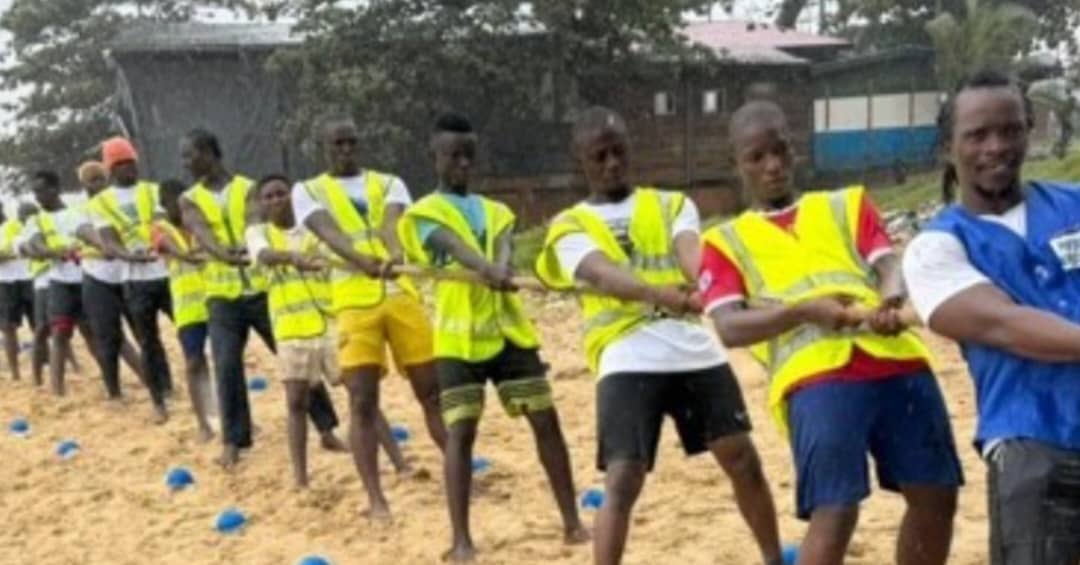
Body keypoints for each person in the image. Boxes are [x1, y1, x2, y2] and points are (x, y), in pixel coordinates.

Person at [701, 100, 962, 565]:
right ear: (735, 163)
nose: (773, 165)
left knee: (936, 496)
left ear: (794, 149)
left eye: (780, 151)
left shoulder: (847, 203)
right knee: (836, 509)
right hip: (817, 380)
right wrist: (803, 312)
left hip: (897, 358)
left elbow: (887, 263)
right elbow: (729, 326)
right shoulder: (724, 242)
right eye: (757, 157)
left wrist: (889, 298)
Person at [534, 107, 782, 565]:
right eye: (599, 156)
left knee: (742, 459)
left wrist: (710, 287)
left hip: (693, 348)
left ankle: (772, 558)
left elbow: (691, 253)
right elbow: (604, 276)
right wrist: (664, 295)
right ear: (582, 162)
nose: (611, 163)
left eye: (618, 152)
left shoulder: (672, 204)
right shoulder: (568, 225)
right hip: (627, 355)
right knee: (624, 475)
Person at [902, 69, 1080, 565]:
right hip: (1033, 441)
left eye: (1010, 129)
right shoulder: (935, 249)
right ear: (947, 147)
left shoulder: (1075, 205)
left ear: (1029, 130)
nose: (996, 146)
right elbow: (1005, 325)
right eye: (977, 135)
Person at [400, 113, 587, 561]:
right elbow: (452, 247)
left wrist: (499, 267)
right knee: (461, 432)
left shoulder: (497, 211)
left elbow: (502, 247)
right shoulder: (425, 212)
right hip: (458, 339)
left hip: (509, 333)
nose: (463, 163)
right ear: (436, 158)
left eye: (468, 155)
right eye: (453, 156)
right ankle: (461, 540)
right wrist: (486, 269)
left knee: (546, 422)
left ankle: (573, 523)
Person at [293, 115, 446, 517]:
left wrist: (394, 254)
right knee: (362, 399)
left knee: (432, 392)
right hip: (353, 301)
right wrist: (361, 260)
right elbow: (329, 233)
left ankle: (458, 471)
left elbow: (393, 223)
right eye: (337, 144)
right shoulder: (307, 191)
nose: (345, 151)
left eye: (351, 143)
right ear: (324, 148)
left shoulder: (389, 182)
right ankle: (376, 498)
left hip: (400, 293)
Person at [178, 129, 345, 468]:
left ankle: (326, 429)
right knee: (226, 365)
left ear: (209, 152)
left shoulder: (249, 187)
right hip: (221, 295)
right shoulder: (189, 198)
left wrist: (250, 247)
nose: (186, 163)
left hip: (262, 290)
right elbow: (201, 230)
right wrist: (222, 253)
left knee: (301, 359)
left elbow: (255, 220)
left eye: (189, 155)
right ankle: (233, 442)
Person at [250, 174, 409, 487]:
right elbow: (263, 255)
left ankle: (399, 462)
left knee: (361, 396)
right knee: (296, 402)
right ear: (261, 204)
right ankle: (301, 479)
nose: (276, 200)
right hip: (291, 330)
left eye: (281, 193)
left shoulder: (315, 232)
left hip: (330, 325)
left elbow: (336, 251)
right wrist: (293, 258)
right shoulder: (259, 233)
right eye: (268, 197)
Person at [91, 138, 175, 423]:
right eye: (122, 164)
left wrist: (160, 245)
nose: (129, 169)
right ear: (111, 169)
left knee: (190, 333)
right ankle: (158, 402)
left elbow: (163, 225)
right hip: (134, 279)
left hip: (166, 273)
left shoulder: (152, 191)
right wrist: (128, 256)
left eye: (131, 163)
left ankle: (180, 388)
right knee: (148, 341)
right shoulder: (101, 201)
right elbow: (108, 241)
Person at [20, 170, 97, 396]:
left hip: (84, 280)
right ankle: (54, 388)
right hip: (54, 284)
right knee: (54, 333)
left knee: (92, 332)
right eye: (34, 192)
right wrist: (55, 252)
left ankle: (110, 379)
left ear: (54, 189)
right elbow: (35, 247)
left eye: (40, 191)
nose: (36, 196)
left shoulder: (77, 214)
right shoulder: (35, 221)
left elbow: (90, 235)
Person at [75, 160, 146, 402]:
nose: (98, 184)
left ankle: (154, 381)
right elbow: (86, 231)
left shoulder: (120, 203)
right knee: (108, 337)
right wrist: (105, 245)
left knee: (142, 332)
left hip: (127, 276)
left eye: (101, 178)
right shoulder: (84, 209)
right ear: (84, 184)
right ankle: (114, 391)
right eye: (92, 180)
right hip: (98, 278)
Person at [154, 179, 215, 442]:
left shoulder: (202, 223)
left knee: (224, 363)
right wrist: (186, 254)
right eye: (175, 203)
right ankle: (203, 422)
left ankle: (227, 416)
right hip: (188, 309)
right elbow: (165, 245)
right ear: (164, 205)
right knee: (194, 362)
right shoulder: (160, 228)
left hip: (215, 299)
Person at [0, 204, 35, 381]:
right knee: (8, 328)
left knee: (41, 324)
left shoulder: (14, 225)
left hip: (28, 277)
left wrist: (9, 254)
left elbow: (25, 246)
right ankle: (15, 374)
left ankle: (72, 363)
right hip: (5, 283)